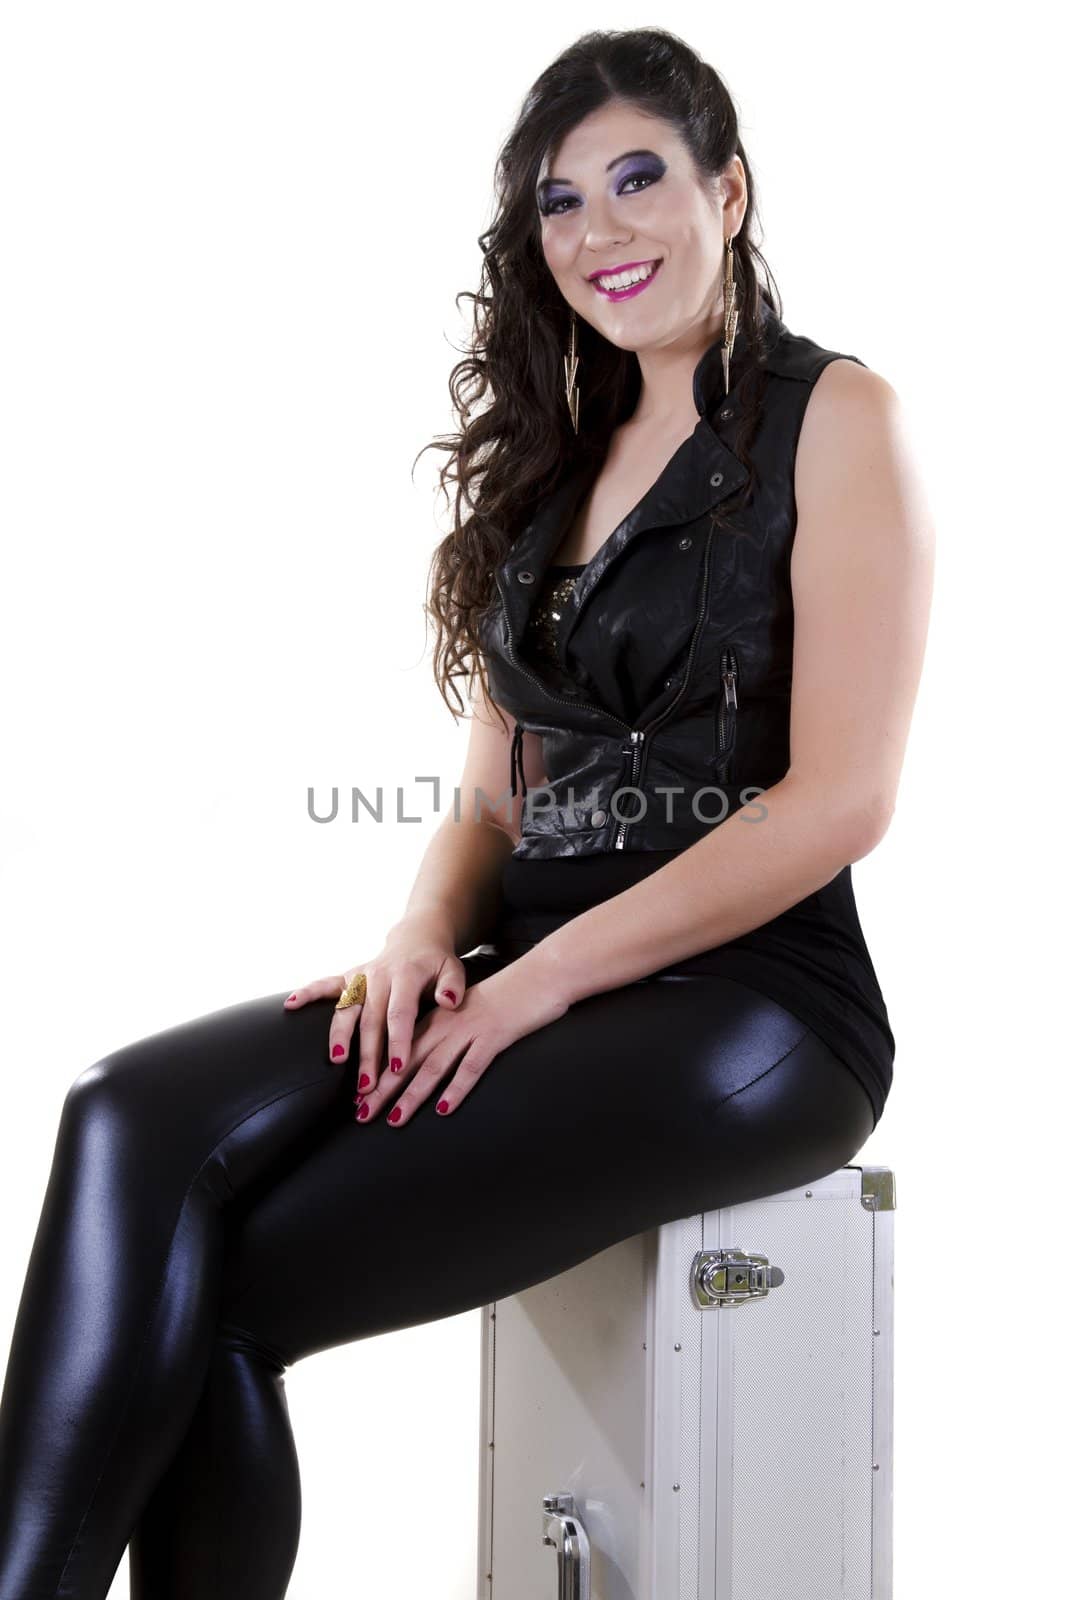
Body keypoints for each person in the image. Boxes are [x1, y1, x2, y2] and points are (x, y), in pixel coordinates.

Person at [0, 26, 933, 1598]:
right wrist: (426, 938)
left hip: (751, 1004)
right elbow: (491, 800)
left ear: (733, 189)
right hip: (517, 959)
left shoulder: (834, 417)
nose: (602, 231)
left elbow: (838, 802)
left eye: (641, 178)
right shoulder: (558, 460)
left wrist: (533, 987)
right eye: (562, 204)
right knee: (123, 1111)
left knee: (229, 1288)